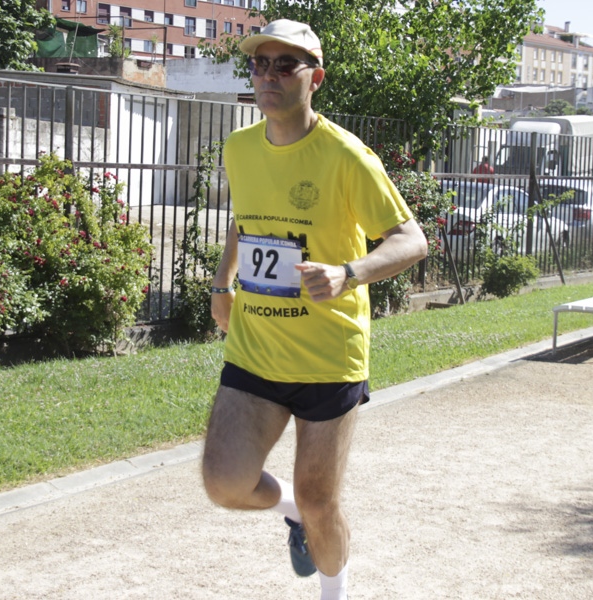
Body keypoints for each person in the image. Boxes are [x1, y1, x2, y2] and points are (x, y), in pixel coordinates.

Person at [200, 19, 428, 600]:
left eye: (285, 65)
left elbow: (410, 240)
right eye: (260, 63)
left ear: (314, 78)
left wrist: (348, 273)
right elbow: (245, 222)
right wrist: (222, 284)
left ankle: (334, 590)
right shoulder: (239, 148)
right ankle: (292, 513)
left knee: (322, 501)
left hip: (329, 357)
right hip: (255, 347)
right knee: (225, 483)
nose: (268, 75)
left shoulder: (347, 156)